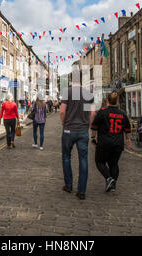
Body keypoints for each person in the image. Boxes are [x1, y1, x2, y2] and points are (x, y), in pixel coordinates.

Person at [60, 67, 95, 200]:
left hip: (69, 130)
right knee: (83, 160)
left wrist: (64, 124)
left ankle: (68, 185)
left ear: (71, 79)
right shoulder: (88, 94)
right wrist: (88, 125)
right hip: (83, 131)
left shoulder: (67, 92)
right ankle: (81, 191)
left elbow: (62, 111)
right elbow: (92, 113)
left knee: (66, 157)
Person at [91, 92, 131, 192]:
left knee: (99, 162)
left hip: (104, 143)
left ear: (107, 101)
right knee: (114, 163)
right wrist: (128, 140)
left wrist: (93, 137)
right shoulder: (122, 114)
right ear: (116, 102)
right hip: (118, 143)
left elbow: (94, 126)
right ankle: (113, 185)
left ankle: (109, 178)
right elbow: (127, 130)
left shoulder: (102, 112)